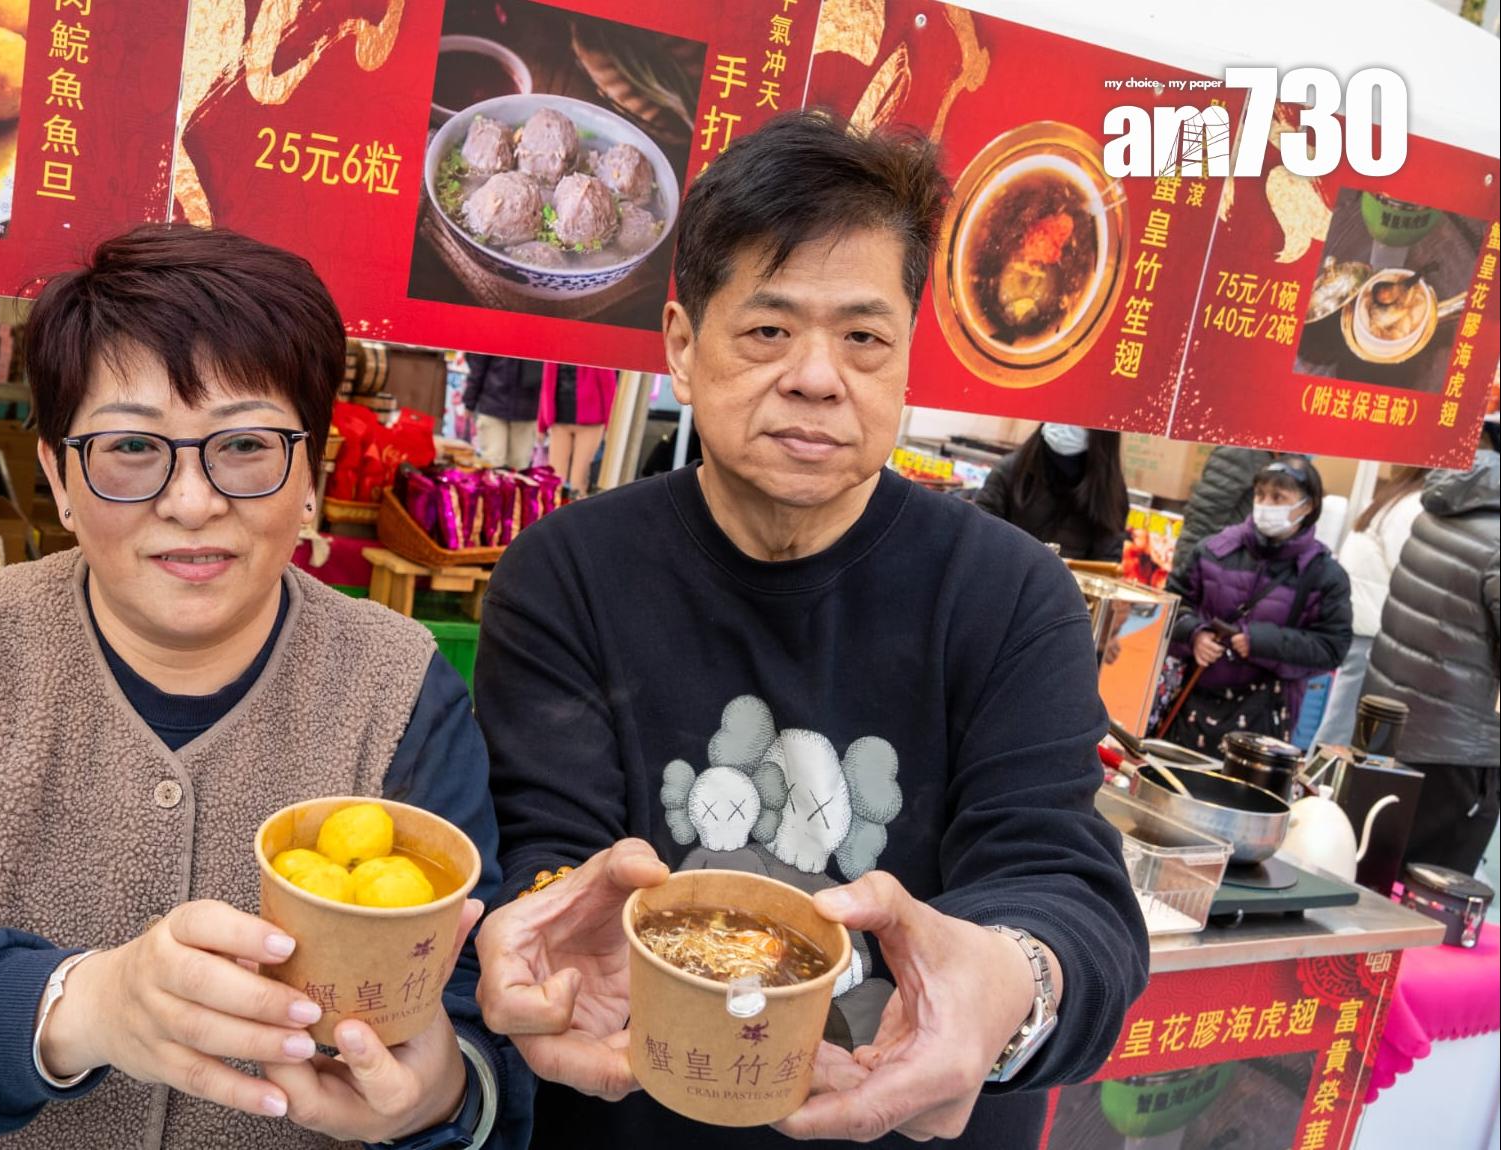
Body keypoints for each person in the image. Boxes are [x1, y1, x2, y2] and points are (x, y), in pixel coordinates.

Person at [0, 224, 529, 1150]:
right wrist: (82, 1007)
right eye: (131, 448)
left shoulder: (401, 691)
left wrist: (439, 1095)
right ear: (58, 476)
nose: (192, 501)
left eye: (244, 445)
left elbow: (470, 1019)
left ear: (311, 475)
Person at [471, 110, 1147, 1149]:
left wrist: (1014, 980)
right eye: (767, 330)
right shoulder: (566, 576)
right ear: (683, 348)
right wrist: (550, 927)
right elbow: (550, 846)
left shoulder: (1010, 593)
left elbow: (1058, 879)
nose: (817, 377)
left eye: (864, 337)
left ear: (907, 362)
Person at [1362, 418, 1499, 874]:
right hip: (1460, 746)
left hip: (1390, 724)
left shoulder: (1439, 506)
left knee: (1377, 867)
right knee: (1432, 889)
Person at [1162, 456, 1352, 752]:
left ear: (1308, 506)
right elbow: (1171, 605)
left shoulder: (1324, 575)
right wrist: (1194, 634)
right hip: (1193, 705)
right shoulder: (1213, 550)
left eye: (1279, 497)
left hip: (1266, 716)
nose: (1266, 504)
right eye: (1261, 495)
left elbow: (1331, 648)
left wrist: (1260, 642)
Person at [1317, 466, 1430, 746]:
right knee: (1341, 731)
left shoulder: (1393, 497)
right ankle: (1317, 785)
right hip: (1373, 631)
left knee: (1343, 722)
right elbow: (1410, 571)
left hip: (1361, 623)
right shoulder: (1413, 507)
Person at [973, 424, 1129, 562]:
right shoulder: (1011, 470)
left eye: (1078, 416)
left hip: (1067, 590)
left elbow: (1106, 565)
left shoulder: (1111, 492)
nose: (1066, 423)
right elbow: (978, 535)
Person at [1174, 446, 1278, 561]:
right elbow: (1203, 518)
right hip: (1217, 560)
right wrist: (1186, 569)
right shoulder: (1245, 451)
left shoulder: (1279, 457)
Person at [539, 363, 618, 494]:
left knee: (579, 478)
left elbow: (609, 389)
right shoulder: (554, 352)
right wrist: (542, 425)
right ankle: (555, 511)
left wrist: (610, 426)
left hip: (590, 424)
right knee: (555, 477)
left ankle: (575, 510)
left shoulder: (597, 353)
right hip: (559, 422)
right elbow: (546, 387)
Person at [463, 354, 544, 469]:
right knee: (492, 462)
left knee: (519, 465)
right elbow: (478, 368)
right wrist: (469, 401)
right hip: (493, 406)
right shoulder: (494, 337)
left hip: (526, 410)